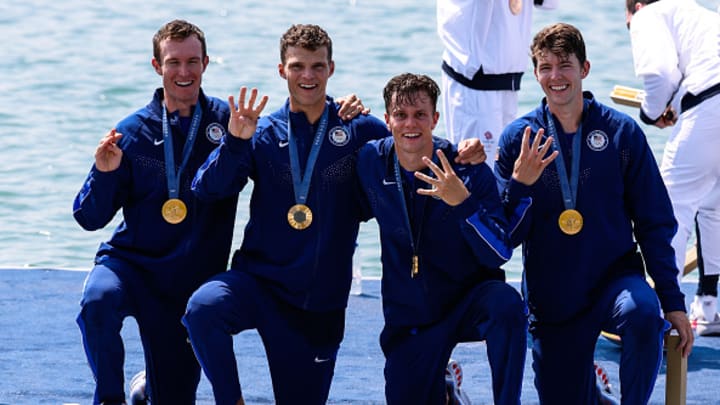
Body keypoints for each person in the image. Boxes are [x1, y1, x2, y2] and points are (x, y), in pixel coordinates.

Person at [181, 24, 485, 405]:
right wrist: (235, 141)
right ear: (281, 71)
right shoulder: (262, 132)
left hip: (317, 303)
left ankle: (442, 383)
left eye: (317, 66)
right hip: (259, 283)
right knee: (202, 310)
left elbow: (414, 143)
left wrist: (464, 153)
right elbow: (206, 189)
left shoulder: (358, 129)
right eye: (297, 66)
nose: (307, 76)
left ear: (331, 69)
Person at [72, 20, 365, 405]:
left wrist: (345, 109)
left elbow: (305, 132)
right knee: (97, 300)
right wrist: (105, 175)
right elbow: (89, 218)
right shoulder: (133, 131)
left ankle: (150, 387)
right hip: (133, 268)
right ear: (156, 66)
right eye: (173, 62)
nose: (183, 71)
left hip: (188, 283)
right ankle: (109, 399)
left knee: (173, 396)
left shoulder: (231, 122)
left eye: (192, 61)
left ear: (206, 64)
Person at [494, 23, 693, 404]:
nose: (556, 77)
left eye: (565, 65)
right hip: (552, 297)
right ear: (535, 73)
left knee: (642, 314)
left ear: (584, 69)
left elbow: (654, 223)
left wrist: (674, 302)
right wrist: (520, 184)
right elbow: (504, 239)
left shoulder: (621, 133)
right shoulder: (519, 139)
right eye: (545, 67)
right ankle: (594, 393)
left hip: (613, 283)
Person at [355, 72, 530, 405]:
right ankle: (446, 387)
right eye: (401, 115)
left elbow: (500, 251)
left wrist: (463, 203)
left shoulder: (466, 167)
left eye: (421, 115)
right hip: (412, 315)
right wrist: (346, 107)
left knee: (507, 306)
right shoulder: (370, 162)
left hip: (468, 301)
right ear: (387, 120)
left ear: (436, 118)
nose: (411, 124)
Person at [625, 0, 720, 336]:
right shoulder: (701, 15)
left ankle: (665, 317)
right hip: (707, 99)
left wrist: (651, 112)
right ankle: (708, 305)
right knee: (713, 207)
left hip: (708, 107)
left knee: (670, 211)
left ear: (635, 7)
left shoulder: (648, 14)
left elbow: (658, 72)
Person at [436, 0, 559, 168]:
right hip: (474, 80)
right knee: (474, 172)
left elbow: (548, 4)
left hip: (508, 76)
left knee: (506, 169)